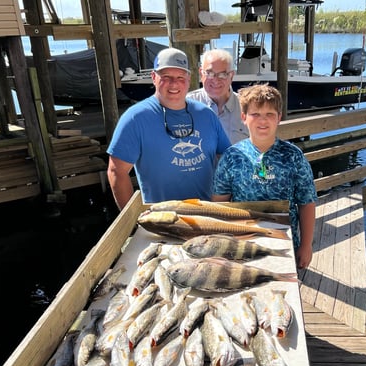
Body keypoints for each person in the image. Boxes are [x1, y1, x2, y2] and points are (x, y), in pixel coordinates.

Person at [106, 47, 231, 208]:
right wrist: (133, 218)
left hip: (207, 213)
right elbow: (116, 171)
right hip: (161, 218)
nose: (174, 83)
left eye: (180, 77)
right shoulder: (135, 118)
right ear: (153, 77)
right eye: (166, 77)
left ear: (189, 79)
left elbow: (228, 160)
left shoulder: (206, 114)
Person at [212, 84, 317, 269]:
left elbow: (306, 203)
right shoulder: (231, 156)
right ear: (243, 117)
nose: (263, 121)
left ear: (279, 118)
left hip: (285, 243)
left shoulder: (294, 156)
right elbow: (220, 202)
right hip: (243, 242)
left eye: (270, 114)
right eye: (255, 114)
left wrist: (306, 245)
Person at [187, 49, 248, 144]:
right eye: (210, 73)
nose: (215, 80)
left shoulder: (247, 106)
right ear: (201, 73)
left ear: (231, 76)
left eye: (223, 74)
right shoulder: (185, 105)